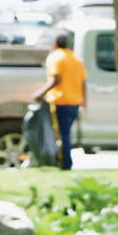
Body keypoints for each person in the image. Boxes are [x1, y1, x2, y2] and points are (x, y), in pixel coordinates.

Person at [32, 33, 87, 170]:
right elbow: (83, 81)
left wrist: (40, 93)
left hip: (60, 100)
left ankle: (65, 162)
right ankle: (63, 160)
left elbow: (55, 79)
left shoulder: (55, 57)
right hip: (75, 101)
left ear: (55, 44)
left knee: (62, 134)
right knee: (66, 132)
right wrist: (84, 101)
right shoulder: (76, 58)